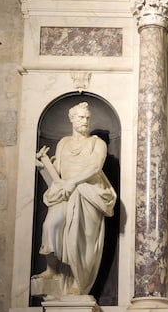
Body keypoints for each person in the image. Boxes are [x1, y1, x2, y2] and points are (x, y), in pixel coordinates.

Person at [36, 103, 116, 295]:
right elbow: (57, 177)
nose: (85, 121)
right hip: (65, 193)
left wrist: (73, 182)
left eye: (87, 118)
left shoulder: (97, 143)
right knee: (51, 226)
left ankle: (78, 282)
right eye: (81, 117)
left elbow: (95, 167)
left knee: (78, 239)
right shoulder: (63, 143)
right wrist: (43, 164)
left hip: (88, 193)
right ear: (71, 119)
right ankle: (52, 270)